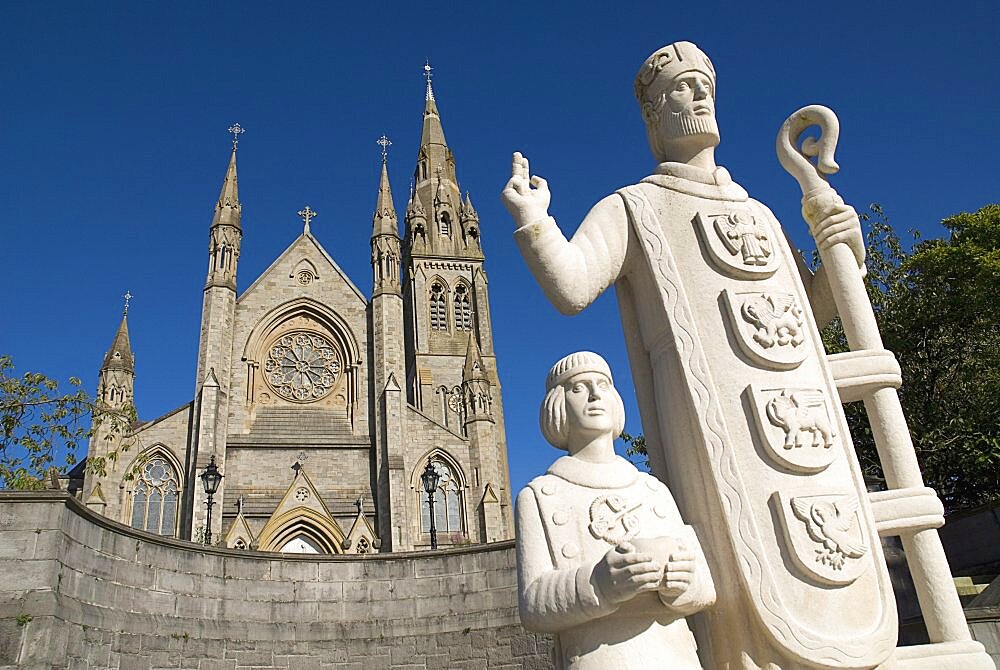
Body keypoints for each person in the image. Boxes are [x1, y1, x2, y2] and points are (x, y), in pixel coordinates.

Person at [503, 42, 897, 669]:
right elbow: (572, 287)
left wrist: (841, 251)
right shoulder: (632, 205)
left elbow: (806, 317)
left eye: (705, 84)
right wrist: (534, 221)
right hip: (704, 406)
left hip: (798, 426)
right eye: (681, 88)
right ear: (653, 117)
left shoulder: (759, 213)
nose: (700, 94)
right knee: (734, 572)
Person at [516, 351, 714, 669]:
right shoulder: (539, 496)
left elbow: (704, 587)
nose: (595, 394)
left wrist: (683, 582)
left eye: (604, 385)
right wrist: (601, 583)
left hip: (675, 655)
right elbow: (534, 603)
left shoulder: (653, 490)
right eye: (578, 388)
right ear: (557, 406)